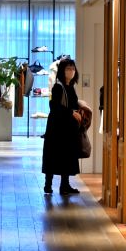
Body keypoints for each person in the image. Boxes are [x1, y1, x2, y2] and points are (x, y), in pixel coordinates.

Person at [42, 57, 82, 195]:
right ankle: (48, 185)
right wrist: (71, 112)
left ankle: (65, 185)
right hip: (57, 128)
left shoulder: (71, 87)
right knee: (53, 155)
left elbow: (72, 104)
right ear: (62, 71)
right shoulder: (58, 87)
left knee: (66, 156)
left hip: (68, 128)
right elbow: (54, 106)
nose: (71, 71)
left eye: (73, 68)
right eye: (68, 69)